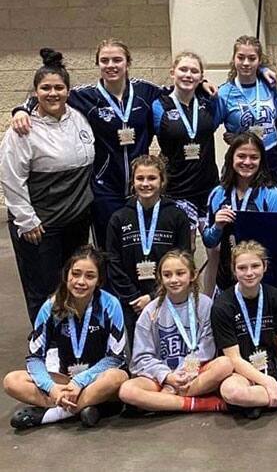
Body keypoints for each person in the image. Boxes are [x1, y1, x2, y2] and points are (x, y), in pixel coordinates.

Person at [9, 39, 187, 248]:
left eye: (117, 60)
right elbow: (51, 94)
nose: (111, 65)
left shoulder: (145, 92)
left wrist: (202, 85)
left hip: (141, 186)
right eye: (105, 60)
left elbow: (179, 92)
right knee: (108, 248)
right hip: (104, 189)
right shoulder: (86, 96)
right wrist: (22, 109)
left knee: (140, 246)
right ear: (98, 64)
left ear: (127, 63)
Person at [1, 48, 95, 326]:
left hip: (76, 222)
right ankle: (44, 346)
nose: (52, 93)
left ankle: (73, 339)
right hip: (40, 226)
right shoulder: (22, 130)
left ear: (68, 90)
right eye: (45, 88)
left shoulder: (79, 117)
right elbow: (11, 178)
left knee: (74, 284)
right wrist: (26, 220)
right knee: (43, 291)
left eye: (58, 88)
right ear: (35, 92)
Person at [2, 246, 128, 429]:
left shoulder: (110, 305)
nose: (81, 282)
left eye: (89, 276)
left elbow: (114, 358)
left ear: (99, 281)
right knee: (12, 381)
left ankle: (52, 414)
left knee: (118, 378)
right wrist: (52, 388)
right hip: (65, 382)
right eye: (75, 274)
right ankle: (86, 406)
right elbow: (34, 357)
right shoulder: (50, 307)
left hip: (98, 379)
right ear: (66, 275)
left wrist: (81, 381)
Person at [119, 251, 232, 413]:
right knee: (127, 390)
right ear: (160, 278)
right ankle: (197, 404)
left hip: (195, 372)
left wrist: (183, 373)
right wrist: (167, 377)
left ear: (192, 275)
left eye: (180, 273)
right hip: (160, 377)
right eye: (167, 275)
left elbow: (206, 348)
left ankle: (163, 402)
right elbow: (141, 357)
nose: (173, 280)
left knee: (225, 365)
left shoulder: (205, 305)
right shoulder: (150, 311)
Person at [211, 241, 277, 419]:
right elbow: (233, 358)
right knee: (232, 392)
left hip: (275, 363)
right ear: (234, 271)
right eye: (242, 268)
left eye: (255, 266)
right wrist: (267, 382)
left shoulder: (275, 296)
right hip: (243, 370)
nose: (249, 273)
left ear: (265, 266)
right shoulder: (222, 305)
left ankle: (270, 396)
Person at [106, 155, 192, 346]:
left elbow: (185, 259)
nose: (145, 184)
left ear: (162, 181)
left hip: (170, 296)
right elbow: (113, 262)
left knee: (171, 349)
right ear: (132, 181)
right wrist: (133, 297)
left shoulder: (177, 216)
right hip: (132, 303)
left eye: (152, 178)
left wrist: (155, 297)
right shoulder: (119, 218)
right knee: (140, 353)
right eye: (140, 178)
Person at [153, 51, 224, 243]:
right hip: (178, 188)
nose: (188, 75)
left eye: (194, 71)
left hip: (208, 185)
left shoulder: (208, 102)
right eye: (183, 69)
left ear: (201, 77)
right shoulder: (159, 106)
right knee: (187, 246)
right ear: (172, 72)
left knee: (215, 246)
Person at [203, 132, 277, 293]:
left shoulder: (272, 196)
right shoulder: (218, 194)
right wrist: (217, 227)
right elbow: (209, 241)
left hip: (263, 282)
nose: (247, 162)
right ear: (231, 158)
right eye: (241, 156)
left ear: (261, 160)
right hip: (227, 282)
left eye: (254, 157)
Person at [217, 35, 277, 172]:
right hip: (244, 159)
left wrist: (264, 70)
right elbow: (208, 125)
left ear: (259, 61)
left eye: (252, 58)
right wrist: (236, 139)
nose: (246, 63)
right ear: (234, 59)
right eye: (241, 57)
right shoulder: (224, 93)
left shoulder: (269, 84)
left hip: (272, 156)